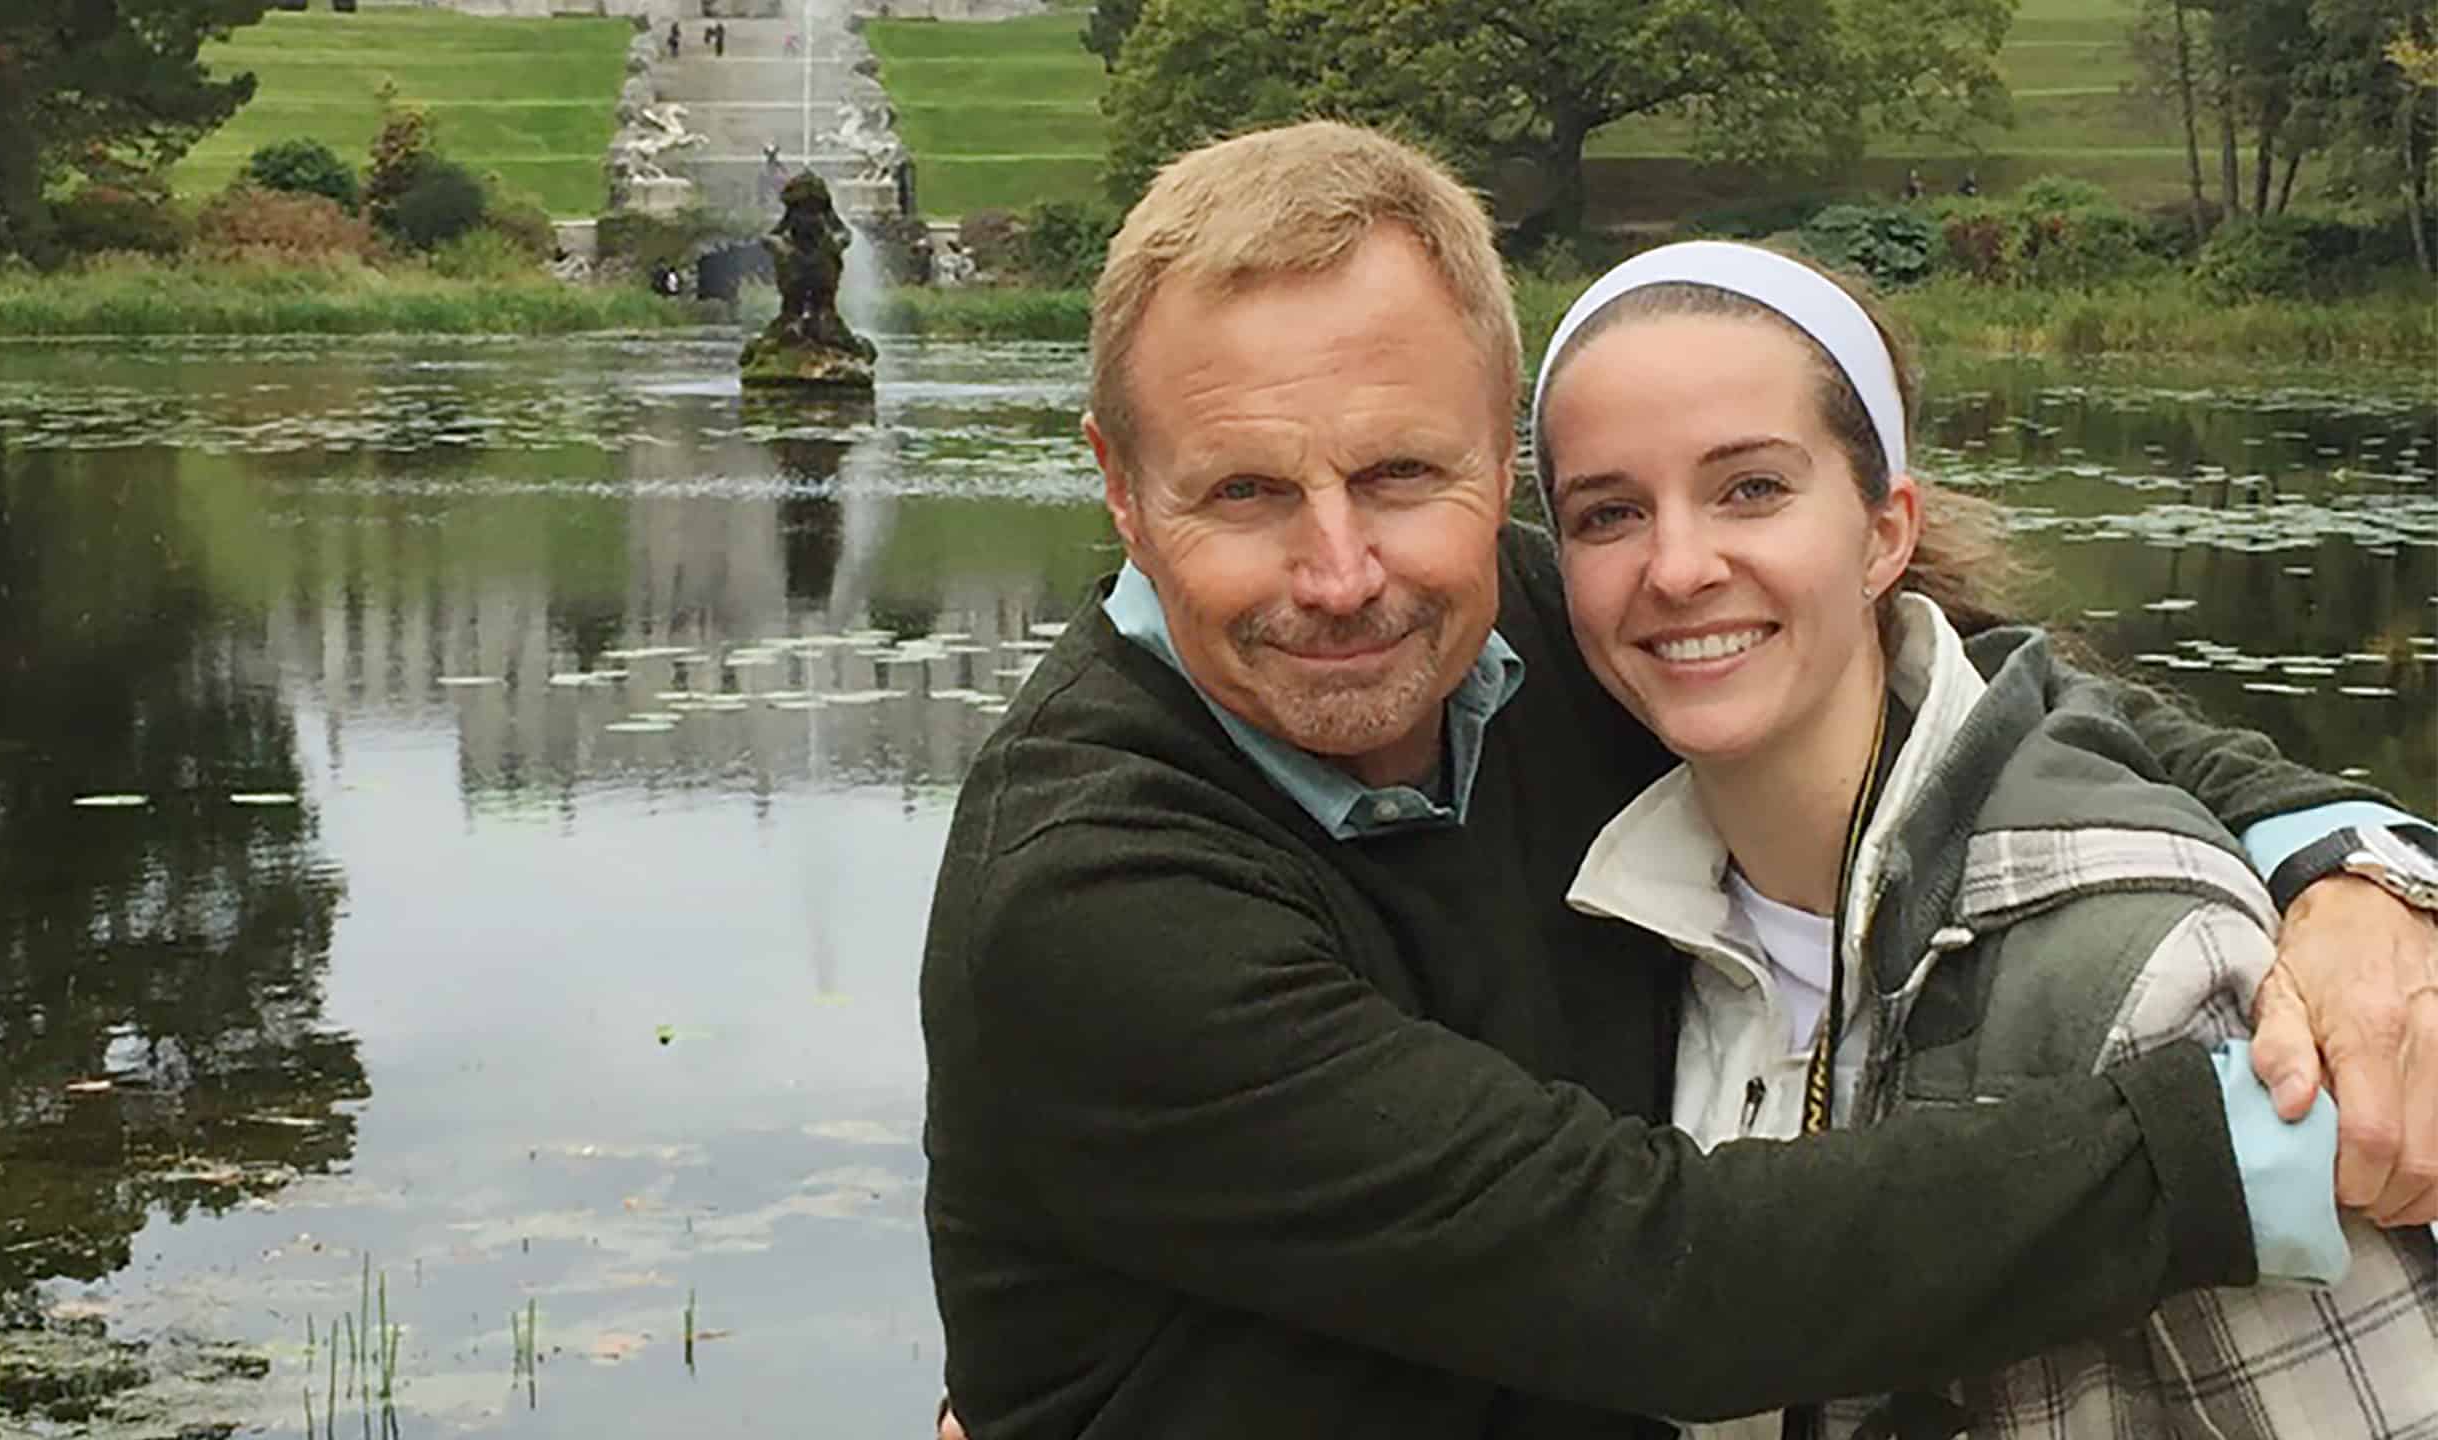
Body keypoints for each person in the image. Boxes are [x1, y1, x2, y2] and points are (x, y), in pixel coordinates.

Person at [920, 121, 2438, 1439]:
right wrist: (2249, 1139)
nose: (1340, 573)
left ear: (1493, 466)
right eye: (1243, 491)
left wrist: (2353, 861)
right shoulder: (1086, 888)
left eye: (1399, 474)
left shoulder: (1539, 619)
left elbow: (1986, 688)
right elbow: (1664, 1278)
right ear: (1119, 487)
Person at [1536, 240, 2438, 1439]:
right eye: (1608, 512)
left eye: (1750, 487)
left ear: (1883, 532)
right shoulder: (1598, 904)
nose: (1679, 565)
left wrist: (2370, 863)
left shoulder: (2152, 980)